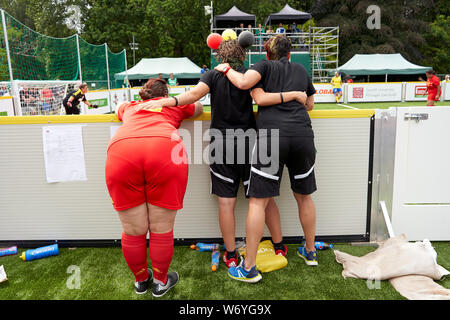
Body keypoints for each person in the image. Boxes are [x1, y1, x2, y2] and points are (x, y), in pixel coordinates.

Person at [137, 38, 307, 270]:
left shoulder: (213, 75)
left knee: (227, 203)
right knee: (265, 201)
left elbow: (193, 96)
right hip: (251, 142)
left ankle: (230, 254)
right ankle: (279, 245)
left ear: (220, 57)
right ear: (242, 56)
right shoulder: (249, 74)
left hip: (221, 144)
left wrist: (165, 102)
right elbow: (264, 99)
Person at [215, 34, 318, 283]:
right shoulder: (302, 71)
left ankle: (249, 267)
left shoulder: (262, 66)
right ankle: (310, 252)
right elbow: (310, 104)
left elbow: (245, 86)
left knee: (257, 202)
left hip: (272, 136)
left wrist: (226, 68)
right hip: (303, 134)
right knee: (304, 196)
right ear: (290, 53)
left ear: (267, 53)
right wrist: (292, 94)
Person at [105, 78, 203, 296]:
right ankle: (160, 281)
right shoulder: (173, 105)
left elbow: (117, 108)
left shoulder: (131, 107)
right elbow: (198, 107)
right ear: (166, 94)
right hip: (164, 148)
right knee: (161, 226)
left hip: (122, 150)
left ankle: (141, 281)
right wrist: (173, 102)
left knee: (132, 229)